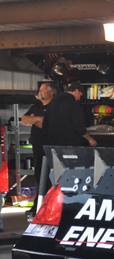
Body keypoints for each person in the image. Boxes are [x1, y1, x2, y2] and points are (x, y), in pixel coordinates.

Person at [21, 81, 57, 218]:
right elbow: (24, 120)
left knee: (51, 177)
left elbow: (46, 125)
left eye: (43, 90)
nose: (40, 92)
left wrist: (34, 120)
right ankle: (39, 204)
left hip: (52, 147)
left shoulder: (55, 106)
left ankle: (51, 205)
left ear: (51, 93)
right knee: (39, 176)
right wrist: (38, 119)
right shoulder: (36, 106)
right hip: (37, 148)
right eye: (40, 90)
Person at [45, 81, 97, 148]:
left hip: (54, 144)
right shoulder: (74, 105)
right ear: (76, 91)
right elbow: (79, 127)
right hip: (71, 144)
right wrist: (90, 139)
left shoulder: (53, 102)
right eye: (80, 95)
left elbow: (45, 123)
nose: (79, 98)